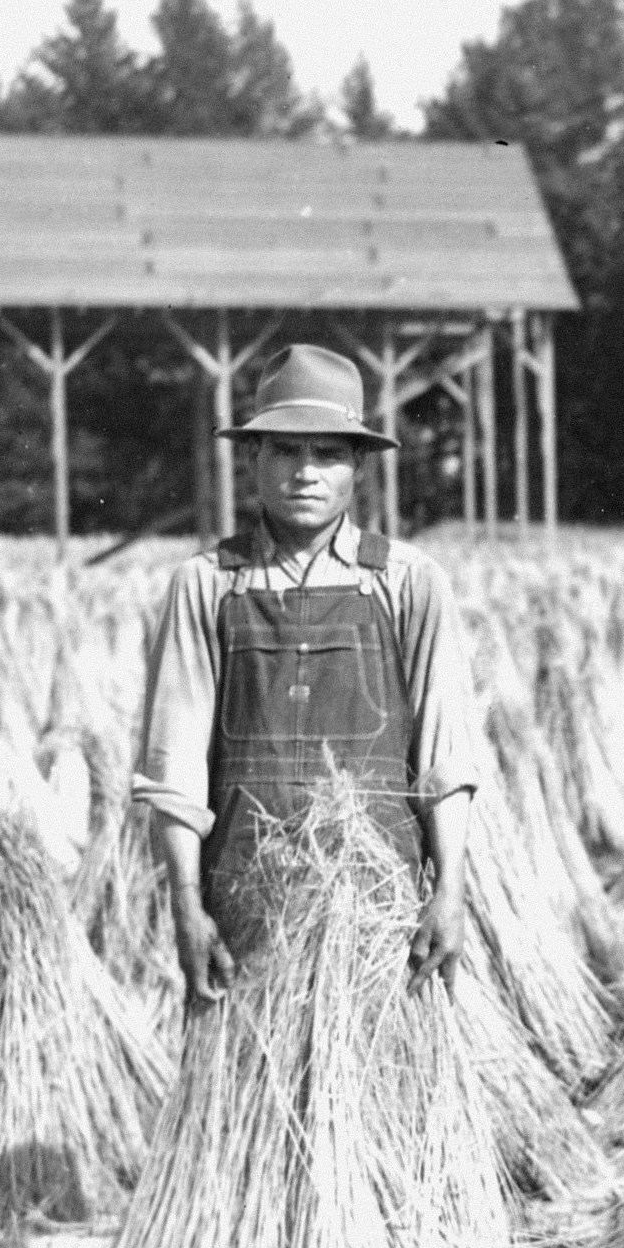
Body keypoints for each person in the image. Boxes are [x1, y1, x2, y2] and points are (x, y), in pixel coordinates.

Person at [133, 343, 480, 1004]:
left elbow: (446, 759)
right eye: (285, 451)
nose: (305, 472)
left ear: (358, 467)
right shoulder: (204, 586)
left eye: (327, 453)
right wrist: (185, 903)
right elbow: (174, 769)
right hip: (244, 910)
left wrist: (450, 893)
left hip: (377, 913)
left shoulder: (409, 582)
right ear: (254, 461)